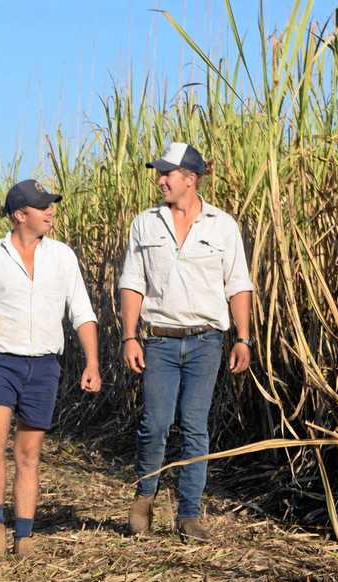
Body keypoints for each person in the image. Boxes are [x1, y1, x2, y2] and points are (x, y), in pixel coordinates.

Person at [0, 179, 101, 563]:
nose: (50, 211)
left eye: (50, 205)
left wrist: (92, 362)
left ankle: (24, 534)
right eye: (41, 206)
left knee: (29, 453)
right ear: (19, 215)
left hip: (45, 365)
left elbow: (82, 312)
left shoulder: (63, 257)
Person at [118, 142, 254, 541]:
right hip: (158, 340)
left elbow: (238, 284)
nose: (160, 181)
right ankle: (145, 495)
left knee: (195, 426)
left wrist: (242, 338)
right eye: (159, 173)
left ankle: (189, 514)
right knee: (155, 423)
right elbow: (132, 283)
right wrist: (130, 336)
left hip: (205, 341)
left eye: (167, 174)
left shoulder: (222, 225)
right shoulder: (145, 223)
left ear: (190, 180)